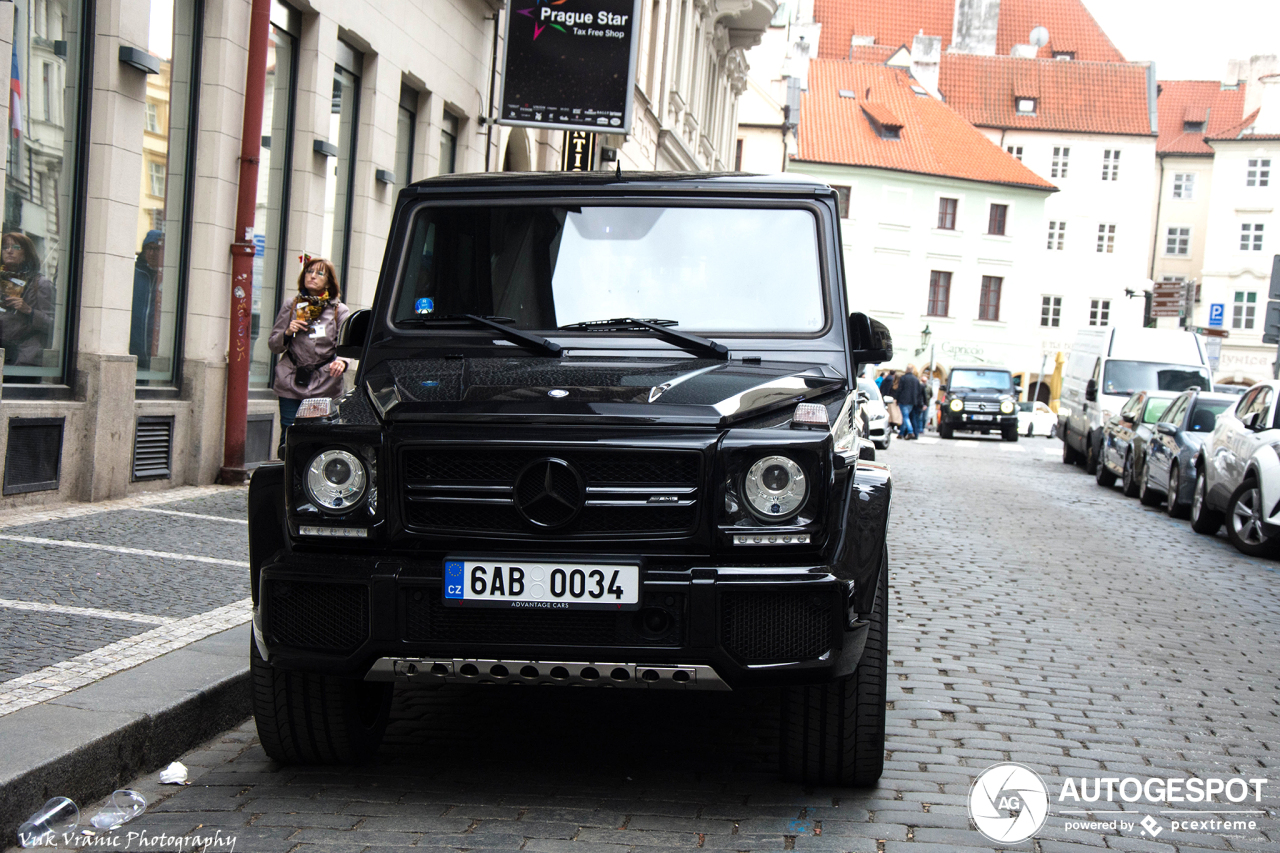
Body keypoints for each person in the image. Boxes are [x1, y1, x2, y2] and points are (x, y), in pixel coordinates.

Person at [268, 256, 351, 450]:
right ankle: (288, 477)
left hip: (324, 383)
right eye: (309, 271)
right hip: (291, 379)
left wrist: (342, 362)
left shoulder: (339, 310)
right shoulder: (293, 305)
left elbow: (347, 345)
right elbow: (274, 345)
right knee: (290, 436)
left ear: (329, 281)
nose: (312, 276)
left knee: (318, 437)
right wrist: (287, 332)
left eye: (319, 273)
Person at [0, 232, 55, 382]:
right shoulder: (3, 281)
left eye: (15, 247)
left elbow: (53, 326)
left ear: (26, 253)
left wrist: (29, 311)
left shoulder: (41, 284)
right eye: (5, 247)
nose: (9, 250)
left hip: (24, 362)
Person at [130, 230, 164, 371]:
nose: (151, 253)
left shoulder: (168, 277)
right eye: (148, 248)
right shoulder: (134, 275)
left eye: (156, 249)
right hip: (133, 351)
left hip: (157, 356)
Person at [896, 364, 923, 439]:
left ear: (907, 370)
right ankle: (901, 433)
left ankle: (910, 431)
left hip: (904, 400)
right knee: (906, 416)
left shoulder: (903, 378)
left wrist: (897, 399)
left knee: (905, 417)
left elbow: (900, 389)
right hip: (912, 401)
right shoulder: (916, 379)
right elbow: (918, 392)